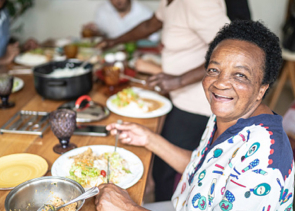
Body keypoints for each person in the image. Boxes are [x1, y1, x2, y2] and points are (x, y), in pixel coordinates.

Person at [95, 20, 294, 210]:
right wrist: (148, 138)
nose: (220, 83)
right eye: (214, 70)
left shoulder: (266, 160)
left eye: (240, 75)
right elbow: (205, 169)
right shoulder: (226, 114)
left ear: (261, 89)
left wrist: (129, 208)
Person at [98, 0, 230, 201]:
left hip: (196, 104)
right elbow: (149, 25)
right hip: (180, 98)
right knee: (161, 164)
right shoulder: (169, 1)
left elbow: (229, 49)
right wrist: (114, 41)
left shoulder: (199, 2)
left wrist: (178, 80)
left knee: (165, 170)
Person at [82, 0, 159, 42]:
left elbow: (153, 41)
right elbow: (103, 34)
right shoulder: (102, 9)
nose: (118, 1)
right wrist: (94, 32)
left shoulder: (145, 13)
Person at [0, 0, 38, 65]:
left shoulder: (4, 14)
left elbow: (2, 50)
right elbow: (5, 58)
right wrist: (3, 60)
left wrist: (21, 48)